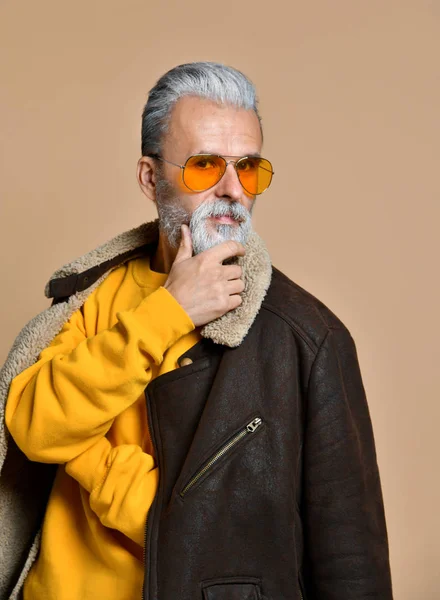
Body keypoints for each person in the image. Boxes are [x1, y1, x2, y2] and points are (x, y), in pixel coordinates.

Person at [0, 62, 394, 600]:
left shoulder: (306, 338)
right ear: (149, 177)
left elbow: (350, 557)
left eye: (249, 168)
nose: (233, 190)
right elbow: (33, 425)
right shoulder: (95, 298)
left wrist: (85, 453)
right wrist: (170, 311)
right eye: (205, 166)